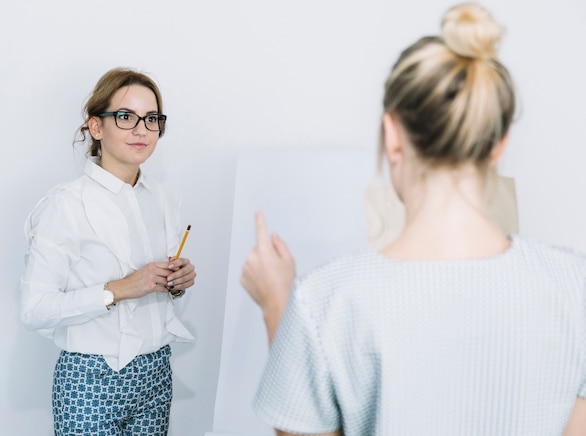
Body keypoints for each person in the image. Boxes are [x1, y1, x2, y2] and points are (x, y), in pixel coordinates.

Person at [241, 3, 586, 435]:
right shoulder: (576, 287)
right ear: (497, 144)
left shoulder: (325, 302)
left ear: (392, 135)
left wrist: (278, 304)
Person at [19, 67, 196, 435]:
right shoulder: (65, 205)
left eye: (152, 119)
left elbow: (159, 287)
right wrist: (121, 288)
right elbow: (34, 310)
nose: (142, 130)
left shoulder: (164, 199)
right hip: (90, 380)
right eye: (126, 116)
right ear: (96, 127)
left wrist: (176, 281)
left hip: (156, 374)